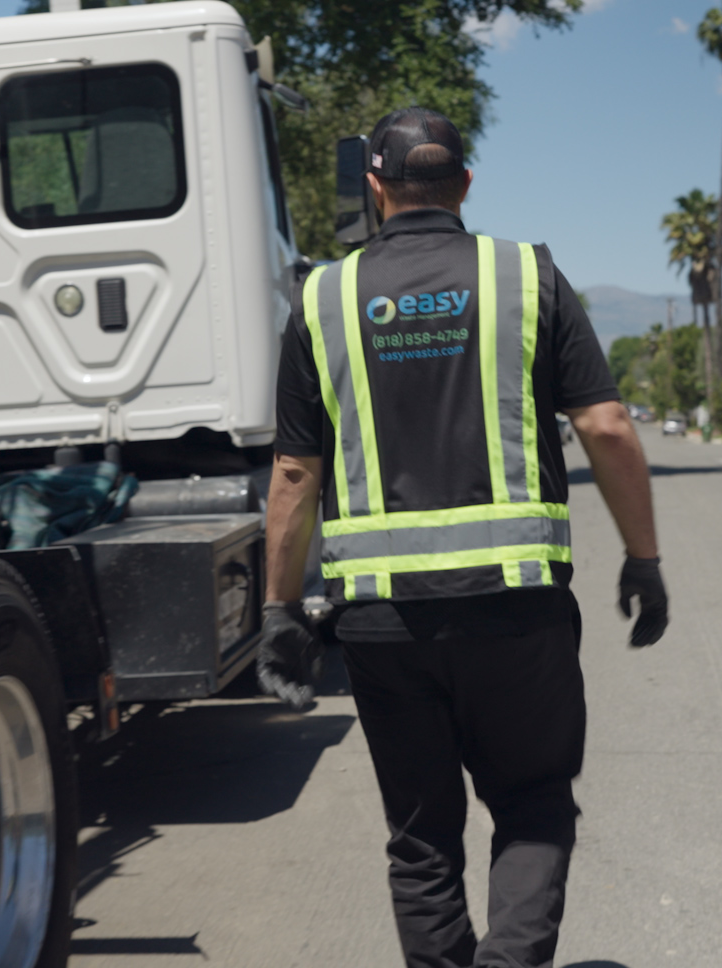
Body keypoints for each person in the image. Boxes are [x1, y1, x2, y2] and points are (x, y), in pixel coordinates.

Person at [256, 107, 669, 968]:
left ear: (376, 189)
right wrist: (644, 559)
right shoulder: (528, 276)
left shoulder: (323, 298)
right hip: (517, 610)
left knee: (420, 837)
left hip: (382, 627)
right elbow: (607, 425)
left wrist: (280, 612)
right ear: (466, 185)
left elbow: (296, 475)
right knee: (532, 806)